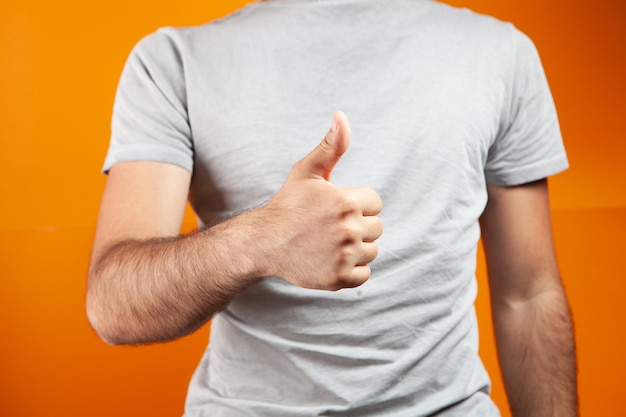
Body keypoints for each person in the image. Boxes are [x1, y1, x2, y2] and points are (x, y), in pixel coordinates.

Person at [86, 0, 578, 416]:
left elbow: (530, 295)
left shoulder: (502, 54)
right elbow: (114, 303)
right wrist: (263, 240)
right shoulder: (171, 62)